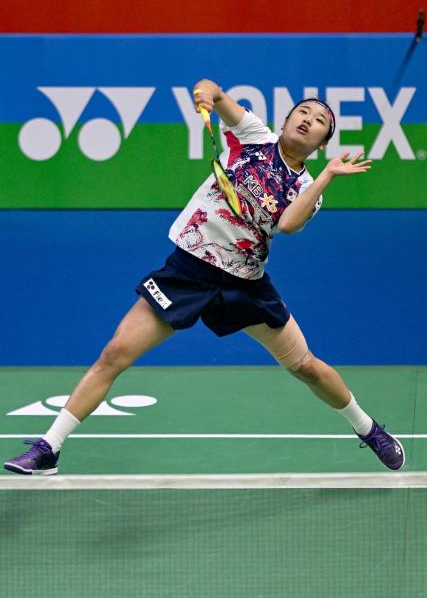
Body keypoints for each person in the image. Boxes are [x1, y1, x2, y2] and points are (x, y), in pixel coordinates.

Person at [4, 79, 405, 475]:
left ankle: (368, 429)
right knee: (114, 354)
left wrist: (327, 175)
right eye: (303, 111)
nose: (308, 119)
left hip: (244, 284)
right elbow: (214, 89)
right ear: (285, 120)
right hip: (188, 270)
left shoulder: (307, 188)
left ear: (321, 143)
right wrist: (205, 94)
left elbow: (287, 225)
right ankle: (49, 447)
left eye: (320, 121)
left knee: (306, 367)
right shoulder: (253, 135)